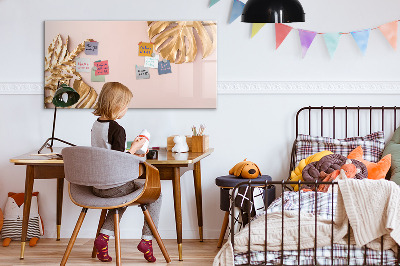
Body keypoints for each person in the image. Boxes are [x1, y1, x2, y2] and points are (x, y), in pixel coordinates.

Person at [91, 82, 161, 263]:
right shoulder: (117, 129)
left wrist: (130, 149)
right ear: (117, 105)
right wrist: (136, 148)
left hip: (97, 186)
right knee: (156, 194)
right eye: (126, 106)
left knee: (121, 197)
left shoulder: (96, 125)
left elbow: (108, 154)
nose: (126, 110)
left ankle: (103, 238)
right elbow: (119, 161)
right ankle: (147, 240)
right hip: (114, 186)